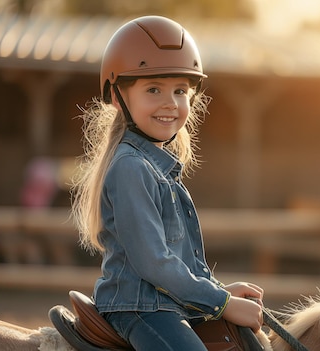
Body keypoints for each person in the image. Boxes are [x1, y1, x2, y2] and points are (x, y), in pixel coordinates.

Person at [70, 16, 264, 350]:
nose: (170, 103)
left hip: (164, 306)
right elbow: (155, 263)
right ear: (118, 97)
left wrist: (219, 291)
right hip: (139, 309)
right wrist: (223, 303)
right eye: (153, 89)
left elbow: (182, 263)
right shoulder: (131, 168)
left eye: (180, 91)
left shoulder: (159, 169)